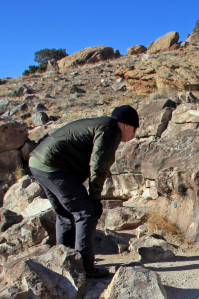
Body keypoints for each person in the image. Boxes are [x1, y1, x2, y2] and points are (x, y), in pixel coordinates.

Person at [27, 105, 139, 277]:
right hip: (53, 166)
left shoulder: (101, 124)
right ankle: (85, 268)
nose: (133, 136)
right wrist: (94, 198)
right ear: (126, 125)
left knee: (65, 215)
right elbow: (99, 165)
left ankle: (64, 262)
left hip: (38, 163)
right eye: (134, 130)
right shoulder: (111, 129)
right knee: (86, 212)